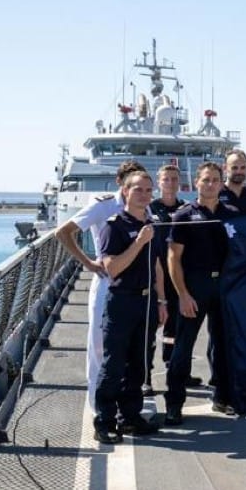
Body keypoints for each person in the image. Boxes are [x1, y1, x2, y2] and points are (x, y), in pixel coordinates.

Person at [55, 159, 147, 410]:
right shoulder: (103, 205)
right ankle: (97, 406)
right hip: (108, 283)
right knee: (99, 346)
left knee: (130, 348)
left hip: (134, 287)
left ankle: (124, 407)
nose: (137, 187)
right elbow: (63, 232)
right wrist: (87, 262)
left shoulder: (144, 207)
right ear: (120, 182)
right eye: (130, 180)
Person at [92, 170, 168, 444]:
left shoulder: (151, 224)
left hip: (146, 302)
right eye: (138, 189)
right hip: (122, 300)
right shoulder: (114, 226)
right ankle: (104, 421)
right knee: (114, 365)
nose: (144, 195)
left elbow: (157, 266)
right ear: (125, 191)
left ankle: (130, 417)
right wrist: (138, 242)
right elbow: (112, 268)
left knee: (139, 363)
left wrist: (162, 301)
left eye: (148, 190)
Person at [164, 162, 238, 424]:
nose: (210, 184)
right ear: (196, 182)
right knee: (183, 348)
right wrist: (183, 295)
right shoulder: (184, 215)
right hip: (194, 287)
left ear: (221, 183)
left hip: (223, 288)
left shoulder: (231, 213)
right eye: (206, 180)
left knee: (223, 345)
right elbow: (173, 258)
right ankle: (174, 404)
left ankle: (222, 397)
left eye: (215, 180)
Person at [147, 164, 188, 394]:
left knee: (176, 328)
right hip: (154, 276)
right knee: (150, 328)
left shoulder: (186, 209)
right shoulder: (150, 209)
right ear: (159, 182)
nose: (170, 183)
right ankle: (145, 377)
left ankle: (176, 371)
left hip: (178, 276)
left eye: (174, 179)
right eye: (166, 179)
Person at [219, 149, 246, 216]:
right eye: (234, 168)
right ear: (225, 168)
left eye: (243, 167)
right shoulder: (215, 195)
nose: (239, 172)